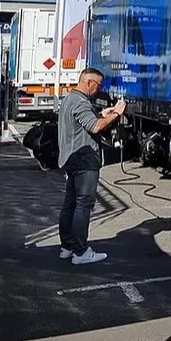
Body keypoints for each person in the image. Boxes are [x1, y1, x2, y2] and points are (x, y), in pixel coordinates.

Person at [58, 67, 125, 264]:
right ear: (89, 83)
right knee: (83, 204)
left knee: (70, 203)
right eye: (98, 85)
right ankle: (81, 252)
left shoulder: (70, 99)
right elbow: (95, 126)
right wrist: (116, 113)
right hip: (84, 160)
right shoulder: (81, 103)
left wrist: (101, 113)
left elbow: (83, 121)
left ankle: (67, 247)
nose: (99, 89)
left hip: (70, 158)